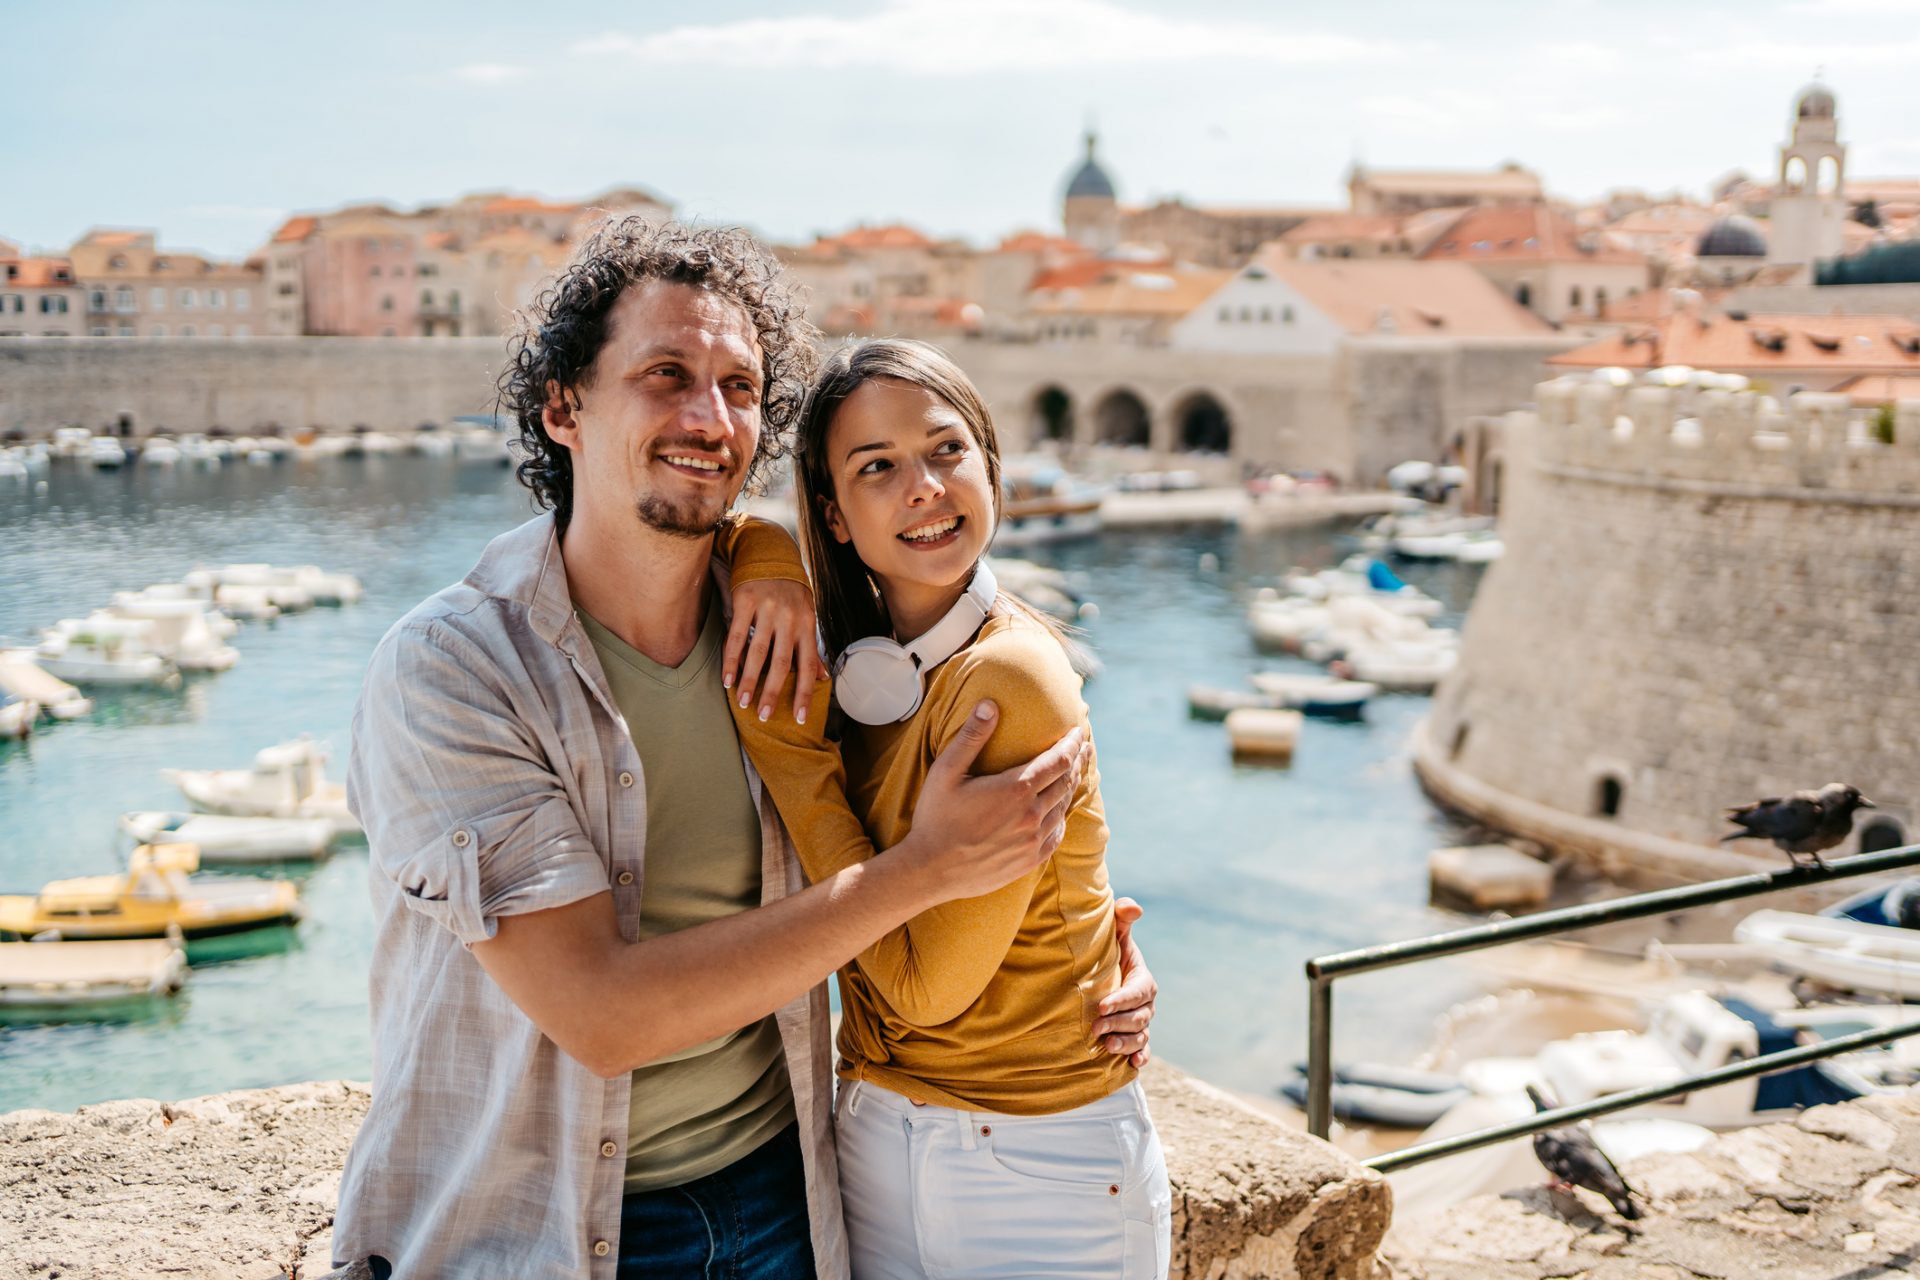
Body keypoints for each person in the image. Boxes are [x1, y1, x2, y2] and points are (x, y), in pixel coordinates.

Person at [331, 219, 1157, 1279]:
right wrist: (922, 872)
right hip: (536, 1226)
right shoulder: (451, 670)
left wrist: (1087, 955)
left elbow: (966, 813)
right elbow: (602, 1013)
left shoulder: (800, 639)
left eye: (738, 387)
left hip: (792, 1199)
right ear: (561, 407)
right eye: (666, 374)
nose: (709, 416)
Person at [727, 339, 1172, 1278]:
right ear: (835, 518)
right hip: (878, 1129)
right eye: (876, 468)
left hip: (1042, 1167)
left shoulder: (1006, 675)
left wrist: (792, 757)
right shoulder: (866, 669)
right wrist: (763, 548)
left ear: (989, 467)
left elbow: (925, 991)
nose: (924, 487)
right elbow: (718, 529)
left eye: (945, 450)